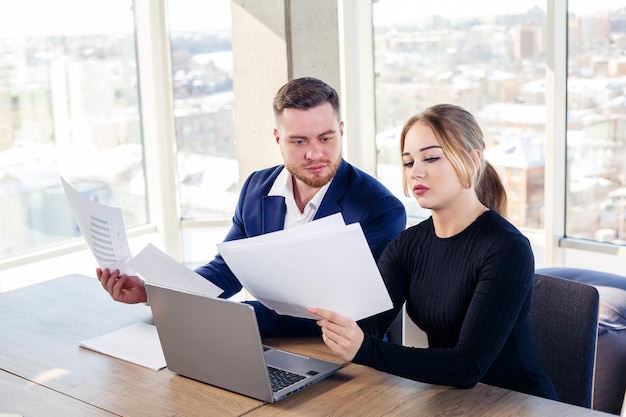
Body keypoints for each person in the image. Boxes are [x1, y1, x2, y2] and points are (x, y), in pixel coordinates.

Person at [97, 77, 407, 337]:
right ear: (277, 138)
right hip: (267, 343)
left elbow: (356, 314)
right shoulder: (257, 188)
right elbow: (228, 270)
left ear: (341, 130)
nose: (315, 153)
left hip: (345, 358)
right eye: (299, 141)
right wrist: (155, 293)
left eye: (326, 138)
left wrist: (237, 317)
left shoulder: (379, 209)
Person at [311, 104, 559, 400]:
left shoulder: (507, 248)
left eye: (430, 158)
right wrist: (339, 318)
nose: (416, 172)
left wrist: (365, 349)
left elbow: (468, 365)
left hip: (516, 403)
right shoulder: (406, 245)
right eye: (408, 162)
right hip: (451, 398)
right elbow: (369, 324)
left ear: (471, 160)